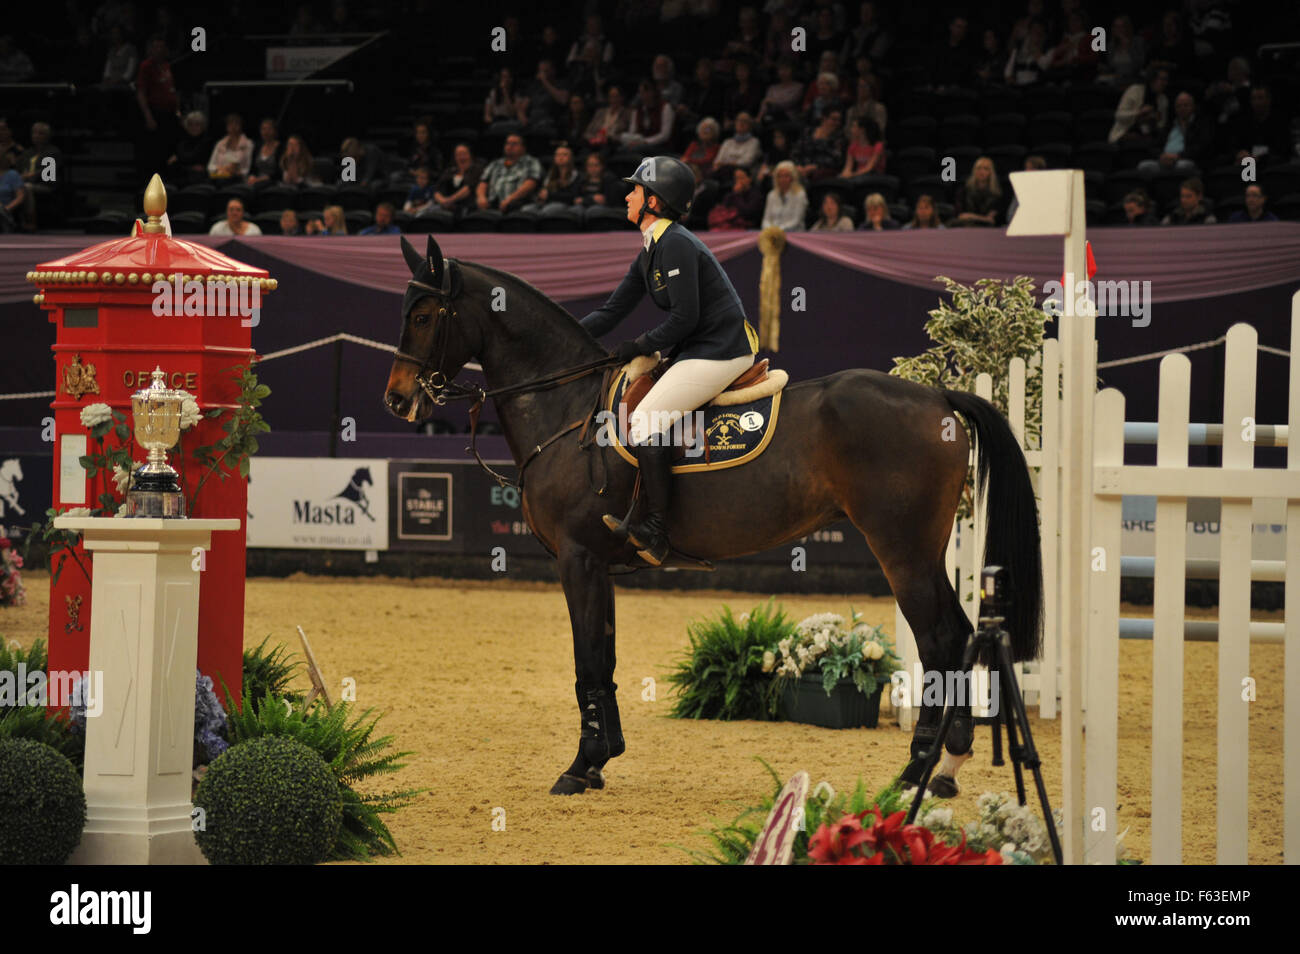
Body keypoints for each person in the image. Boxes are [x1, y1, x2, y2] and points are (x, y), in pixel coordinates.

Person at [578, 156, 759, 566]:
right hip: (698, 350)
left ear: (654, 202)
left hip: (722, 350)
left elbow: (685, 318)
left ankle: (658, 531)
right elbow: (610, 311)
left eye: (635, 190)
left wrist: (637, 344)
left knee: (644, 420)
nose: (627, 195)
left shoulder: (676, 242)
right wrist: (562, 338)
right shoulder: (651, 251)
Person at [475, 133, 541, 212]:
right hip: (493, 203)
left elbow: (531, 184)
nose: (510, 146)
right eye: (507, 143)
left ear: (523, 148)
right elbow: (483, 182)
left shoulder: (531, 162)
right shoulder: (495, 163)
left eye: (514, 144)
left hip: (519, 203)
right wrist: (481, 197)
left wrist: (510, 199)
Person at [952, 156, 1004, 226]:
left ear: (991, 172)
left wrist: (970, 216)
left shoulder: (996, 194)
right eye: (978, 168)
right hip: (965, 227)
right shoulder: (964, 191)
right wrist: (983, 218)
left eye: (986, 169)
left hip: (987, 230)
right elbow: (960, 215)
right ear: (974, 171)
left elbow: (992, 220)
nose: (981, 172)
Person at [432, 144, 482, 215]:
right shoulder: (450, 171)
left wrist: (449, 200)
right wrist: (442, 201)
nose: (461, 157)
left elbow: (468, 189)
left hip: (467, 206)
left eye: (464, 154)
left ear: (470, 155)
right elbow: (437, 189)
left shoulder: (476, 170)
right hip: (444, 205)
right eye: (458, 155)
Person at [761, 160, 808, 230]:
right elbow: (766, 219)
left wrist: (779, 229)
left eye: (786, 176)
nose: (782, 179)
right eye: (780, 176)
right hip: (773, 233)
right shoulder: (771, 195)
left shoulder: (800, 194)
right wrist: (770, 229)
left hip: (794, 233)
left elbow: (796, 221)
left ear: (792, 177)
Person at [208, 114, 252, 181]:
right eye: (230, 124)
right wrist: (220, 168)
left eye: (236, 124)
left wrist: (236, 172)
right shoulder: (220, 144)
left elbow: (247, 169)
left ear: (241, 126)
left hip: (238, 179)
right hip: (220, 177)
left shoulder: (248, 144)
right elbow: (210, 166)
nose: (233, 127)